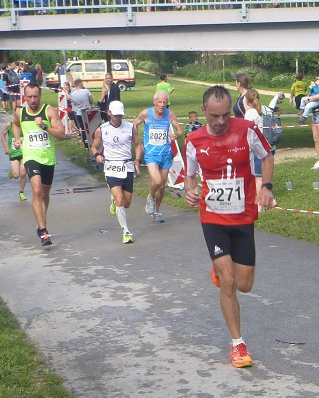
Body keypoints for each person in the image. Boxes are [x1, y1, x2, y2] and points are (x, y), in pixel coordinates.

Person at [183, 85, 275, 368]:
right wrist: (191, 191)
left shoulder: (247, 129)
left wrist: (266, 187)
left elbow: (267, 155)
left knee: (245, 285)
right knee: (229, 280)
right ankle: (238, 344)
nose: (220, 122)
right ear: (204, 112)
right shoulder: (194, 140)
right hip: (213, 218)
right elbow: (189, 178)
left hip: (243, 215)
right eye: (214, 116)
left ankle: (219, 270)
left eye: (224, 115)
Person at [12, 83, 66, 246]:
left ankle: (41, 221)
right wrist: (16, 138)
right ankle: (43, 231)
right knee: (36, 190)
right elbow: (15, 124)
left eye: (35, 96)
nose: (33, 100)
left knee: (44, 193)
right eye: (29, 97)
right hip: (30, 156)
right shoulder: (20, 112)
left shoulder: (49, 111)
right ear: (25, 97)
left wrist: (45, 126)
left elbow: (62, 134)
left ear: (40, 96)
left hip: (47, 158)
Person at [91, 100, 137, 244]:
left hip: (126, 166)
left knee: (127, 203)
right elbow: (94, 147)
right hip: (111, 167)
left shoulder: (130, 127)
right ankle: (126, 232)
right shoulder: (102, 129)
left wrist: (138, 158)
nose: (118, 118)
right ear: (109, 113)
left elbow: (138, 144)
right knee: (120, 200)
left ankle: (114, 201)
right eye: (116, 115)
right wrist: (97, 155)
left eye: (120, 115)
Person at [133, 92, 181, 224]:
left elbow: (180, 129)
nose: (162, 105)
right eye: (159, 102)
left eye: (164, 102)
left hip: (166, 153)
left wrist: (177, 135)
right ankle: (150, 197)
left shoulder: (169, 114)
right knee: (157, 180)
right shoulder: (146, 113)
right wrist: (136, 140)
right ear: (154, 102)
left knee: (162, 185)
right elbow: (134, 123)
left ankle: (157, 210)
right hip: (151, 153)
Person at [0, 122, 28, 202]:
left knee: (23, 173)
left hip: (24, 152)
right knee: (16, 176)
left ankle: (21, 192)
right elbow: (2, 136)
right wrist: (6, 148)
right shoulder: (9, 125)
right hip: (13, 153)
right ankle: (13, 171)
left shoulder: (25, 124)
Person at [68, 78, 94, 148]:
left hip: (79, 113)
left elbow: (73, 104)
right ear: (80, 84)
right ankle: (92, 141)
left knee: (82, 128)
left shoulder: (73, 94)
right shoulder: (86, 91)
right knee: (90, 127)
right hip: (88, 113)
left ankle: (85, 144)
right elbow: (92, 101)